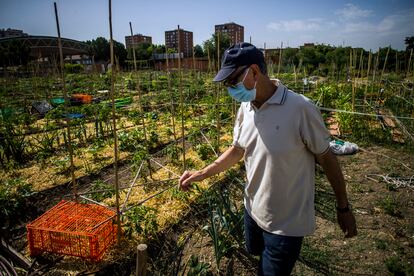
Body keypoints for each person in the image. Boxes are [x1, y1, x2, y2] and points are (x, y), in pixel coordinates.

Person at [179, 42, 357, 275]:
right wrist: (201, 173)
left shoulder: (300, 108)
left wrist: (343, 207)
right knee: (258, 258)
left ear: (254, 71)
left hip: (286, 224)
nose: (230, 88)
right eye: (227, 84)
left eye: (233, 80)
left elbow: (326, 158)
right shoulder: (246, 107)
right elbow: (237, 150)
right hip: (252, 209)